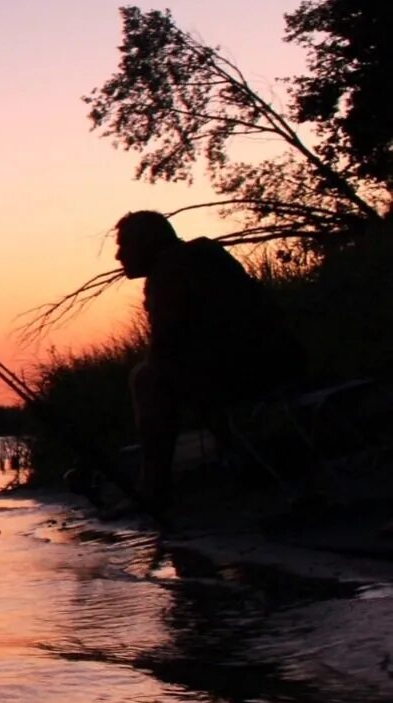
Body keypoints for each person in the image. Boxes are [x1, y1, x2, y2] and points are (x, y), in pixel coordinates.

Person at [114, 210, 305, 510]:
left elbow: (166, 346)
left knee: (147, 377)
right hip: (284, 364)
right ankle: (235, 454)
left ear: (146, 244)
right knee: (175, 371)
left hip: (244, 373)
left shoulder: (168, 273)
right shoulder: (206, 256)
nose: (118, 256)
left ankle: (153, 487)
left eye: (124, 246)